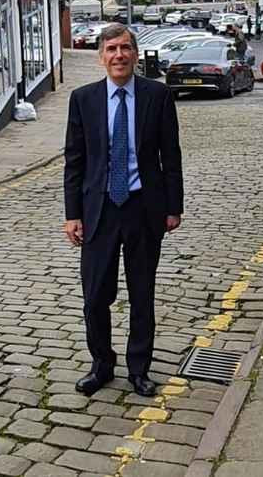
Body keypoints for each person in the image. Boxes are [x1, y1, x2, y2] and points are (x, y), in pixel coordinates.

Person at [64, 23, 184, 397]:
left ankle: (139, 368)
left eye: (125, 48)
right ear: (102, 57)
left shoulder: (157, 96)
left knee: (142, 292)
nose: (119, 55)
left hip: (142, 208)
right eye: (112, 49)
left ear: (135, 54)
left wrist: (173, 206)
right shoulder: (83, 99)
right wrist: (72, 214)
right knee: (96, 294)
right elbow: (75, 160)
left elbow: (171, 156)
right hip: (99, 210)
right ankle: (101, 364)